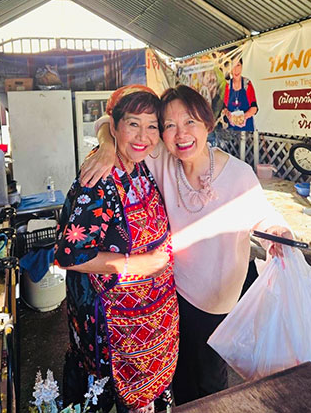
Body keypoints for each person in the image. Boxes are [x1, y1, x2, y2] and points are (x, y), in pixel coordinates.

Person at [80, 84, 293, 406]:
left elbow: (263, 216)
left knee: (211, 384)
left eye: (190, 122)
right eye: (169, 125)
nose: (181, 134)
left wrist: (277, 231)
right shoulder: (163, 161)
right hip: (172, 296)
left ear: (207, 124)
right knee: (177, 379)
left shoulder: (238, 174)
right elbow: (107, 123)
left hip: (217, 303)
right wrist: (107, 149)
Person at [54, 86, 179, 413]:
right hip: (116, 331)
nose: (143, 136)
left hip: (153, 326)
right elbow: (70, 255)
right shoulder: (101, 178)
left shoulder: (140, 165)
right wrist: (138, 265)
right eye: (133, 124)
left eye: (152, 126)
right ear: (116, 127)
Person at [222, 58, 258, 131]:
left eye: (238, 65)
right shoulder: (227, 85)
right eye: (233, 66)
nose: (236, 69)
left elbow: (254, 108)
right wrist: (228, 115)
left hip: (247, 128)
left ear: (242, 67)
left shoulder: (247, 84)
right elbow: (224, 107)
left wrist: (243, 117)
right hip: (231, 130)